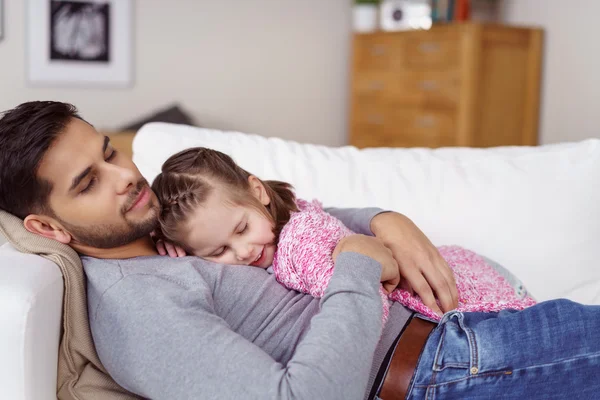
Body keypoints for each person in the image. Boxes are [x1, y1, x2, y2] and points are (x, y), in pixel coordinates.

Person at [0, 101, 598, 400]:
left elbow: (283, 218)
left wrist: (386, 221)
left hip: (452, 332)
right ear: (51, 229)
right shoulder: (137, 312)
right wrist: (359, 262)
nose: (124, 176)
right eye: (88, 183)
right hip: (440, 372)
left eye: (109, 152)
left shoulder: (163, 226)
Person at [150, 147, 537, 322]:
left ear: (258, 192)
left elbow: (361, 307)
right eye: (219, 251)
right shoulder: (279, 225)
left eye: (241, 229)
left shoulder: (301, 241)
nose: (244, 251)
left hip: (461, 287)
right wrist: (161, 242)